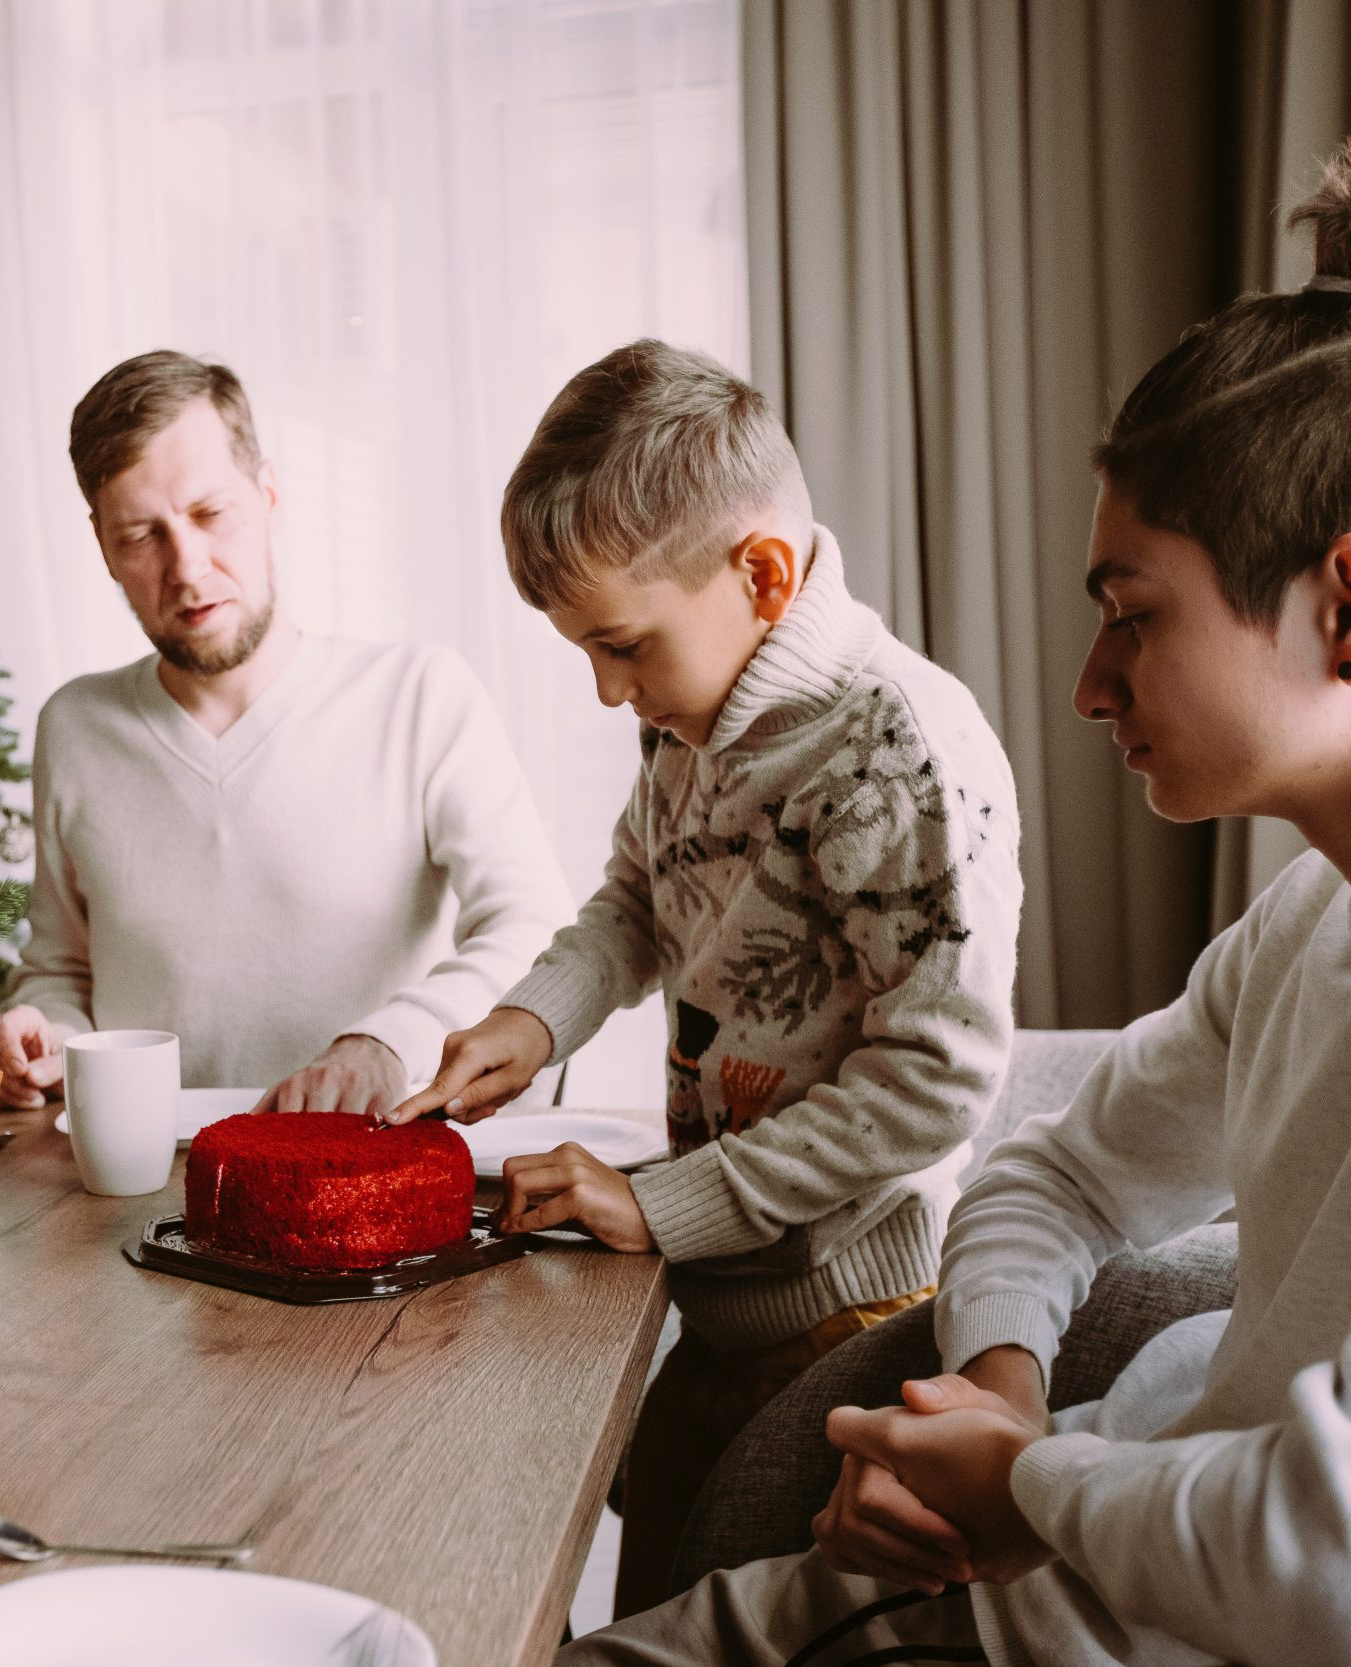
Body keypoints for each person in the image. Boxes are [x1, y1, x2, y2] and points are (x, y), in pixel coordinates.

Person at [563, 122, 1351, 1666]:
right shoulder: (1308, 922)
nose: (1088, 683)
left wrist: (1031, 1486)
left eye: (1134, 614)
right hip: (1050, 1576)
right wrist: (997, 1394)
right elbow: (1049, 1176)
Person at [386, 339, 1023, 1609]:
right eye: (583, 651)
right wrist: (531, 1020)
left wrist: (661, 1203)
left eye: (622, 644)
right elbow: (636, 901)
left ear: (762, 575)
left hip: (850, 1323)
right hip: (724, 1301)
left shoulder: (895, 750)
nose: (605, 688)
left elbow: (932, 1082)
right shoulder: (689, 719)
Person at [0, 351, 572, 1114]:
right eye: (140, 535)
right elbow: (60, 970)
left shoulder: (420, 695)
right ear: (102, 547)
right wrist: (45, 1032)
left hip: (370, 1162)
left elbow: (536, 928)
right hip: (150, 1170)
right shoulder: (74, 728)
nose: (187, 567)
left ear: (268, 496)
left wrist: (390, 1043)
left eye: (210, 514)